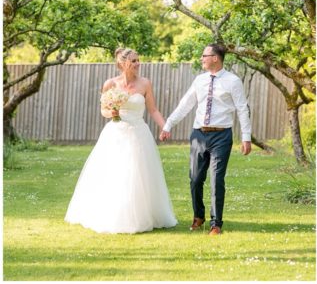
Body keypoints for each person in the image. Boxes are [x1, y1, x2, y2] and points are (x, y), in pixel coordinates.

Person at [65, 48, 178, 234]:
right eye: (133, 61)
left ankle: (142, 215)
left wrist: (164, 127)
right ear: (123, 63)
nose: (138, 64)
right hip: (115, 133)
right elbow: (103, 111)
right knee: (115, 173)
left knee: (139, 173)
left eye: (138, 60)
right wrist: (112, 112)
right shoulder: (110, 84)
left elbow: (153, 110)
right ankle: (113, 214)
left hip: (139, 134)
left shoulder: (145, 84)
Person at [160, 43, 252, 236]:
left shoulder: (233, 81)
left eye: (205, 55)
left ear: (215, 58)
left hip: (221, 135)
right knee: (195, 179)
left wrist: (246, 137)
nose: (201, 58)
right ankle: (198, 216)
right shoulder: (199, 81)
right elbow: (185, 104)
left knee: (217, 179)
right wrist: (168, 125)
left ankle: (216, 223)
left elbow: (242, 109)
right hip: (198, 135)